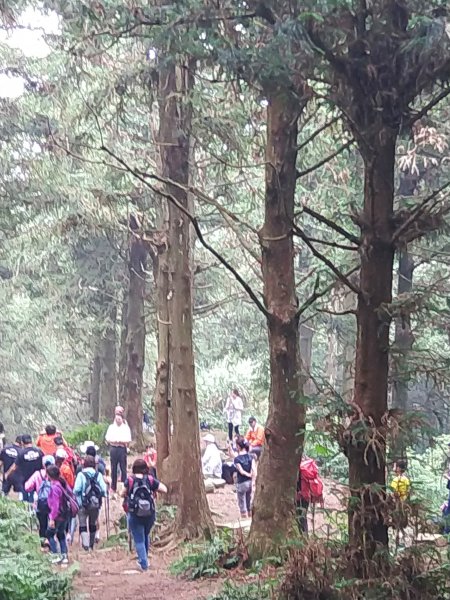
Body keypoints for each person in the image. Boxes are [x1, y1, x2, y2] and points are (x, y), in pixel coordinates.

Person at [122, 458, 167, 571]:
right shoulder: (150, 480)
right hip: (149, 513)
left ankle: (143, 564)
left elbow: (123, 493)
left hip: (134, 513)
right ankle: (145, 559)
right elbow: (164, 489)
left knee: (139, 539)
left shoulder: (130, 480)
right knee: (145, 535)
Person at [73, 455, 107, 551]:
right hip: (95, 503)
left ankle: (85, 544)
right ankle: (91, 545)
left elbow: (76, 489)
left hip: (82, 504)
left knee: (82, 523)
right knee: (93, 523)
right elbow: (104, 490)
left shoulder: (81, 475)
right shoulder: (98, 475)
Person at [25, 455, 55, 546]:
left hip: (41, 502)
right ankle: (51, 542)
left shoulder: (37, 474)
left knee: (42, 524)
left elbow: (27, 487)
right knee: (52, 522)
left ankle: (43, 543)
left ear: (43, 464)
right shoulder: (56, 474)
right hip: (53, 502)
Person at [46, 464, 74, 564]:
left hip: (57, 515)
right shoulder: (62, 484)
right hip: (65, 513)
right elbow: (71, 493)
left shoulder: (54, 487)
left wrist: (52, 519)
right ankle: (64, 556)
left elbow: (55, 505)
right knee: (61, 534)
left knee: (49, 534)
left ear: (49, 475)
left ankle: (55, 555)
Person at [5, 434, 43, 502]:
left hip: (24, 480)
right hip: (37, 480)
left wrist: (7, 474)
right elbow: (43, 464)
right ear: (31, 441)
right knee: (35, 498)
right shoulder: (39, 452)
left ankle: (26, 510)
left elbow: (14, 467)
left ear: (22, 442)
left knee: (25, 499)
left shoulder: (21, 453)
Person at [105, 406, 131, 496]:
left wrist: (121, 441)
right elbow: (107, 438)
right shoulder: (111, 427)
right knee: (113, 468)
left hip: (122, 448)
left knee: (123, 468)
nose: (118, 418)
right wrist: (114, 441)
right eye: (117, 415)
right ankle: (113, 487)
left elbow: (128, 439)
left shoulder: (125, 428)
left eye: (120, 415)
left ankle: (125, 487)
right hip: (113, 448)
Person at [296, 455, 323, 534]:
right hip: (306, 497)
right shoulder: (305, 471)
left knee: (300, 518)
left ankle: (303, 536)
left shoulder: (299, 471)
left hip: (299, 497)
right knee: (303, 518)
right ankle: (305, 536)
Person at [233, 437, 255, 519]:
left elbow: (241, 471)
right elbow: (253, 469)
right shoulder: (251, 457)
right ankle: (250, 517)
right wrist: (252, 477)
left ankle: (244, 518)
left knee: (242, 502)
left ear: (238, 446)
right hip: (249, 483)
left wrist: (247, 474)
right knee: (248, 500)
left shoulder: (237, 459)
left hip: (242, 482)